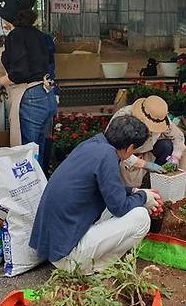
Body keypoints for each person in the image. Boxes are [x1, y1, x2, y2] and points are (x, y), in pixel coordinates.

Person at [30, 115, 161, 273]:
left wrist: (134, 191)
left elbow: (109, 190)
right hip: (68, 256)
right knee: (141, 216)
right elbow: (119, 207)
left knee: (123, 204)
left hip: (54, 247)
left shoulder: (93, 144)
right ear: (130, 147)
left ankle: (87, 262)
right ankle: (95, 268)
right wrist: (144, 197)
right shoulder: (108, 157)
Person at [0, 0, 58, 161]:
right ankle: (41, 185)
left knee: (26, 153)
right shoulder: (40, 35)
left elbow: (18, 74)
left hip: (30, 98)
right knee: (38, 150)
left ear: (11, 19)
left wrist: (0, 82)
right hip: (46, 94)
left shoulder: (15, 36)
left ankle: (32, 185)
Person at [111, 95, 185, 188]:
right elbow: (115, 148)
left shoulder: (160, 117)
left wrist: (175, 157)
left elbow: (178, 137)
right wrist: (144, 164)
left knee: (166, 146)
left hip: (146, 149)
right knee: (129, 186)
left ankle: (153, 179)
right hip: (125, 154)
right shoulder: (123, 117)